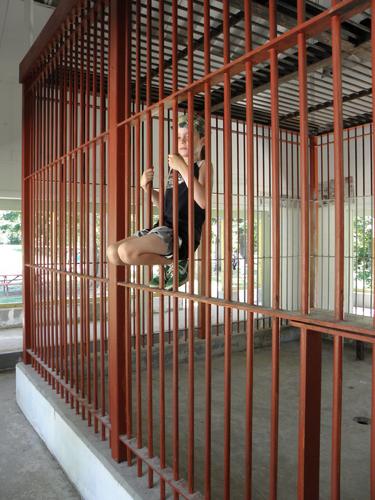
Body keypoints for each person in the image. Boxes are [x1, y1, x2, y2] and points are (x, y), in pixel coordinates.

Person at [106, 113, 211, 290]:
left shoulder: (203, 166)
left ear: (202, 140)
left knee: (126, 252)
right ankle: (172, 264)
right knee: (112, 253)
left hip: (181, 233)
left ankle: (177, 262)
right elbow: (165, 206)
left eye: (188, 136)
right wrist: (146, 189)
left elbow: (203, 202)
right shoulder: (173, 170)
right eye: (179, 137)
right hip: (162, 227)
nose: (183, 141)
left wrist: (182, 167)